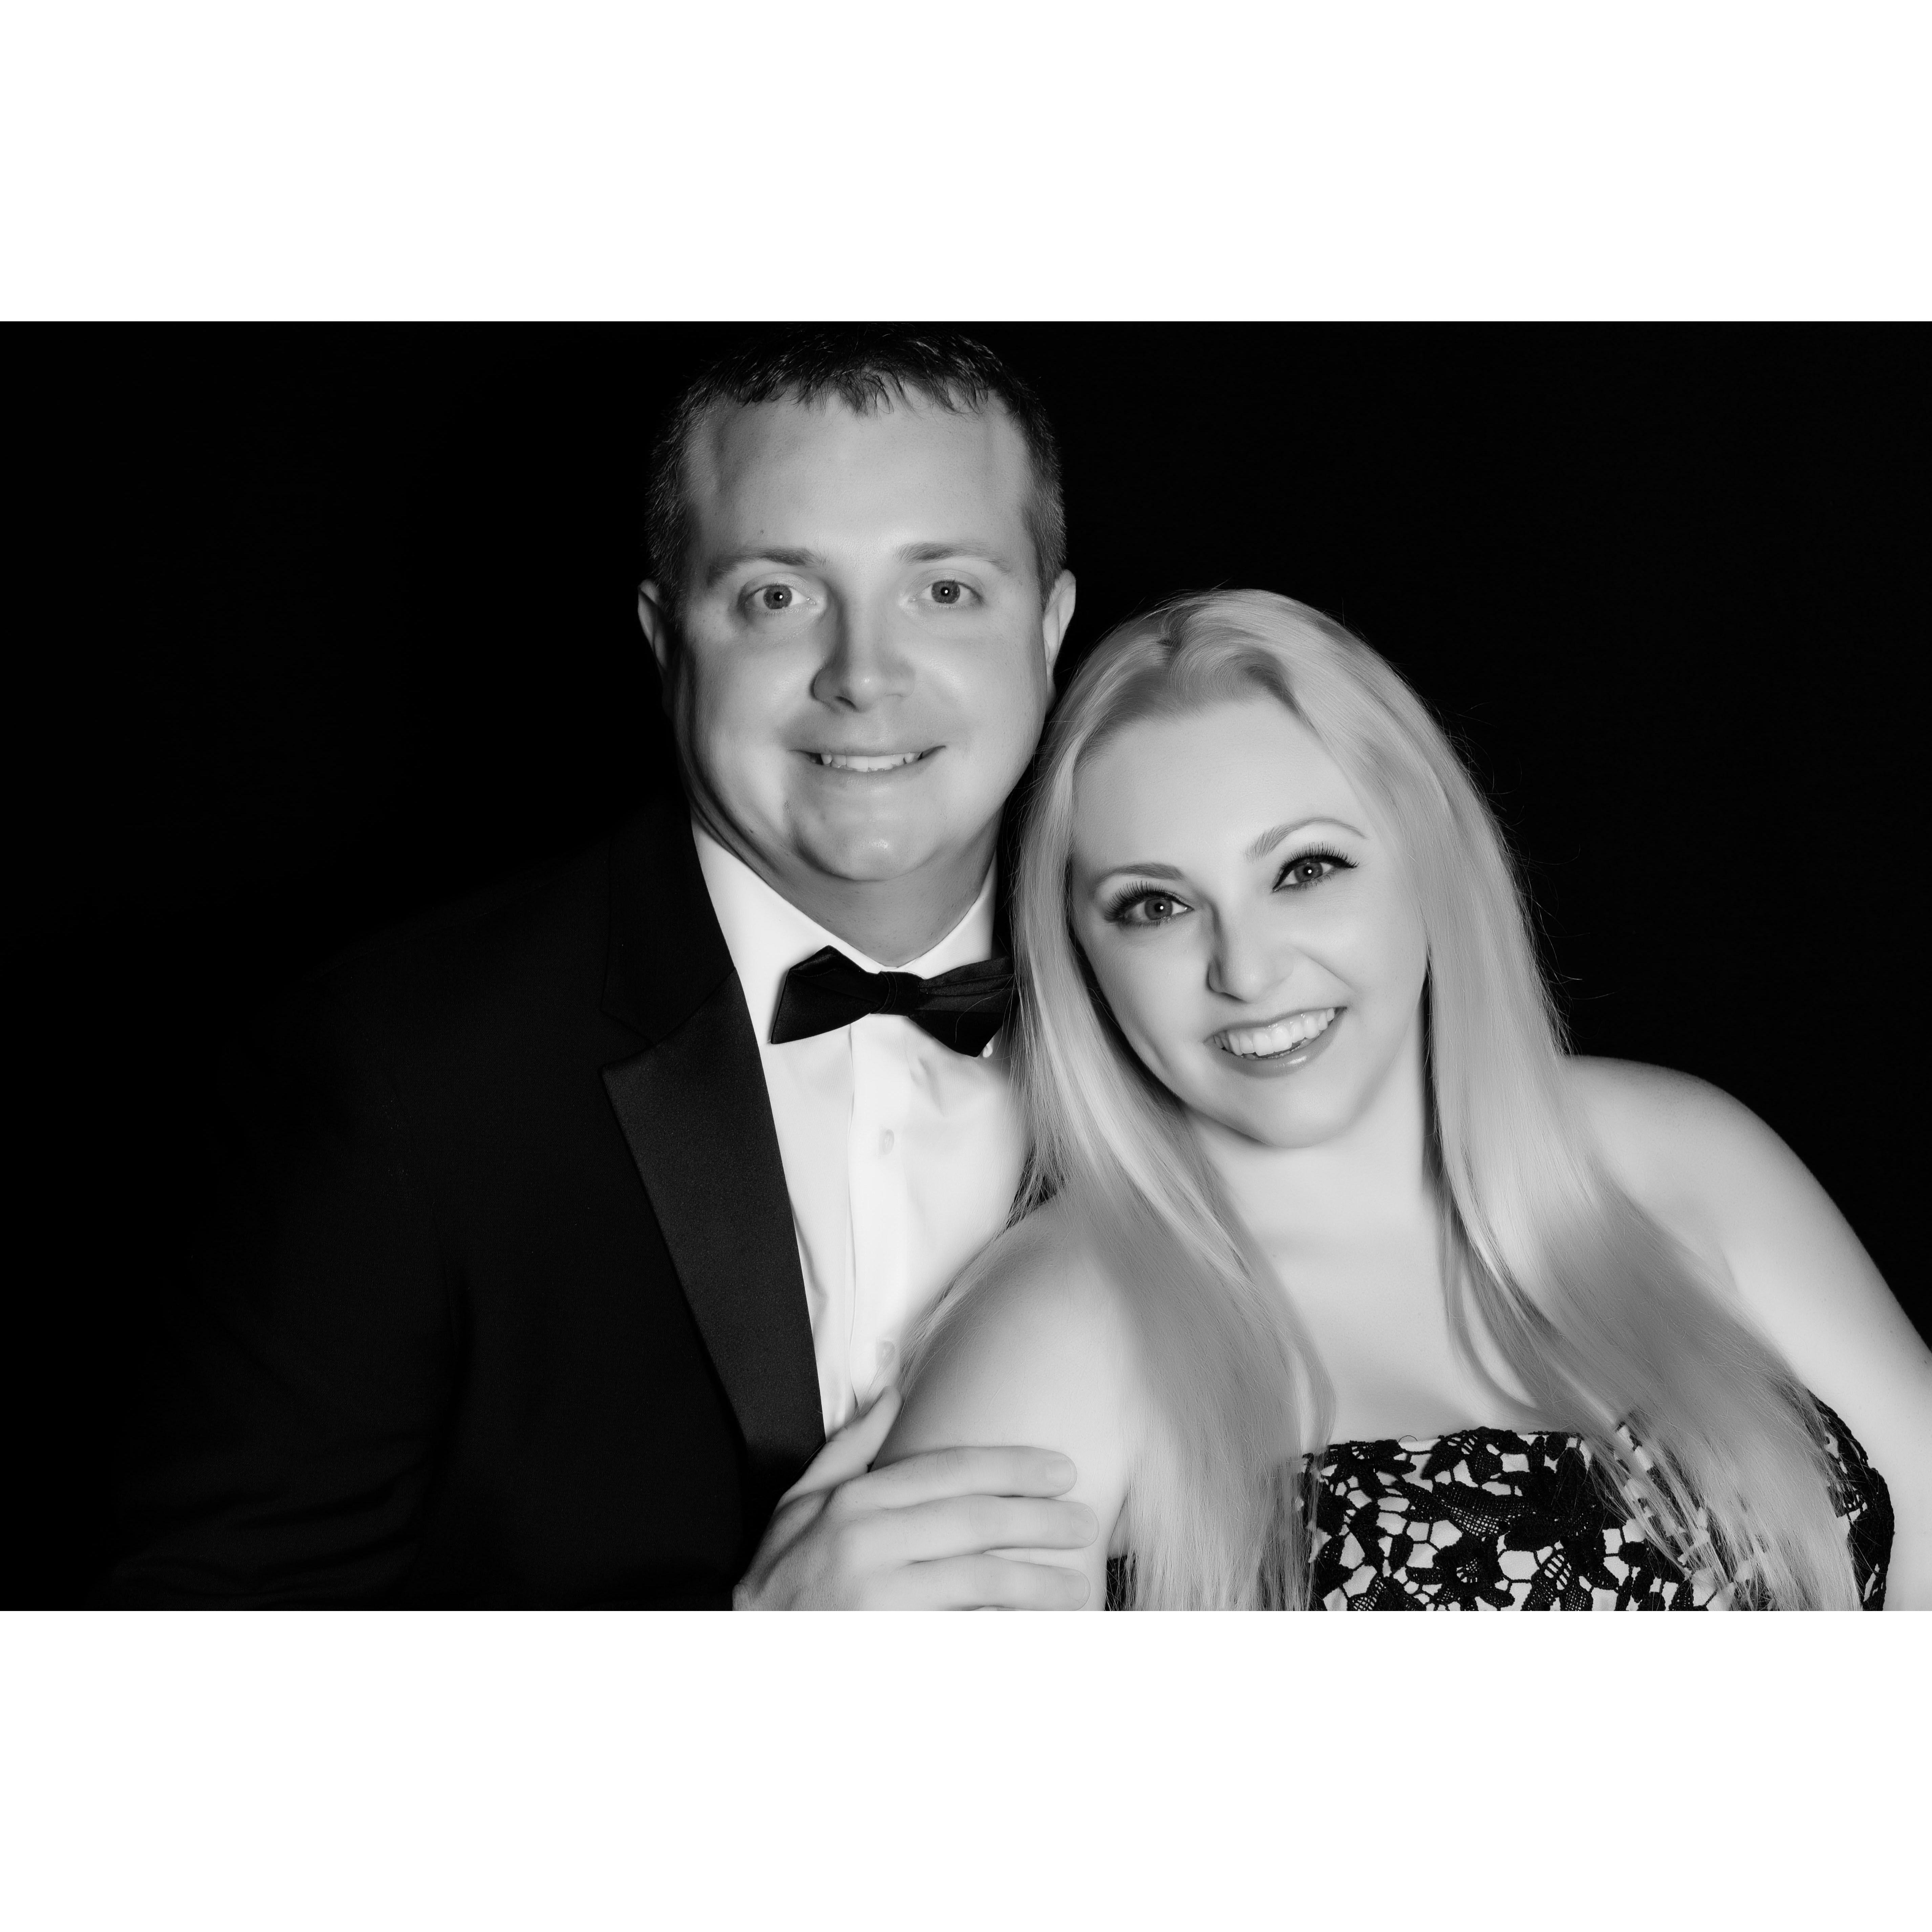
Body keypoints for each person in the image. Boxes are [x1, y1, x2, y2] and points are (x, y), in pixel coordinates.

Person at [105, 328, 1098, 1608]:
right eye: (777, 596)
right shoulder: (391, 1073)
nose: (862, 676)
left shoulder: (1207, 1016)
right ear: (663, 635)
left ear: (1051, 628)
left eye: (945, 591)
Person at [884, 590, 1931, 1609]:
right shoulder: (1052, 1329)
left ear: (1426, 855)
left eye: (1304, 869)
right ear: (1078, 948)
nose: (1245, 969)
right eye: (1154, 906)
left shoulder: (1681, 1156)